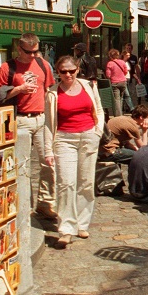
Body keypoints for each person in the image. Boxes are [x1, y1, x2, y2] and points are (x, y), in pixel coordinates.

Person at [43, 55, 104, 249]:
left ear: (78, 69)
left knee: (86, 182)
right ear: (57, 72)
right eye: (63, 71)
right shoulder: (52, 94)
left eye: (71, 70)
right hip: (64, 139)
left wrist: (97, 132)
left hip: (88, 136)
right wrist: (48, 151)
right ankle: (66, 229)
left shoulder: (89, 86)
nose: (68, 75)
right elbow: (47, 125)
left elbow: (100, 111)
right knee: (66, 183)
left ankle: (82, 224)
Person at [0, 33, 56, 221]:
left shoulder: (43, 65)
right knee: (23, 164)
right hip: (20, 119)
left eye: (37, 51)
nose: (34, 55)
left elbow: (49, 90)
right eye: (29, 52)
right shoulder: (8, 68)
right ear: (20, 49)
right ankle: (25, 206)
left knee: (48, 163)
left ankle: (45, 204)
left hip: (41, 119)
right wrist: (18, 90)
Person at [98, 105, 148, 195]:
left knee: (133, 153)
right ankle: (136, 188)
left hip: (104, 148)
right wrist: (145, 131)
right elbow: (144, 148)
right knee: (137, 158)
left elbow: (126, 142)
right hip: (109, 151)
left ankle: (121, 187)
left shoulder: (123, 119)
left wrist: (135, 149)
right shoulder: (133, 127)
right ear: (141, 117)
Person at [104, 48, 133, 117]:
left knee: (116, 99)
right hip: (123, 82)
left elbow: (108, 75)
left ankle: (118, 115)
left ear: (110, 56)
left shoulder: (110, 64)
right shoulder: (122, 62)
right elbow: (126, 71)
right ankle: (120, 113)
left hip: (115, 83)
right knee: (121, 98)